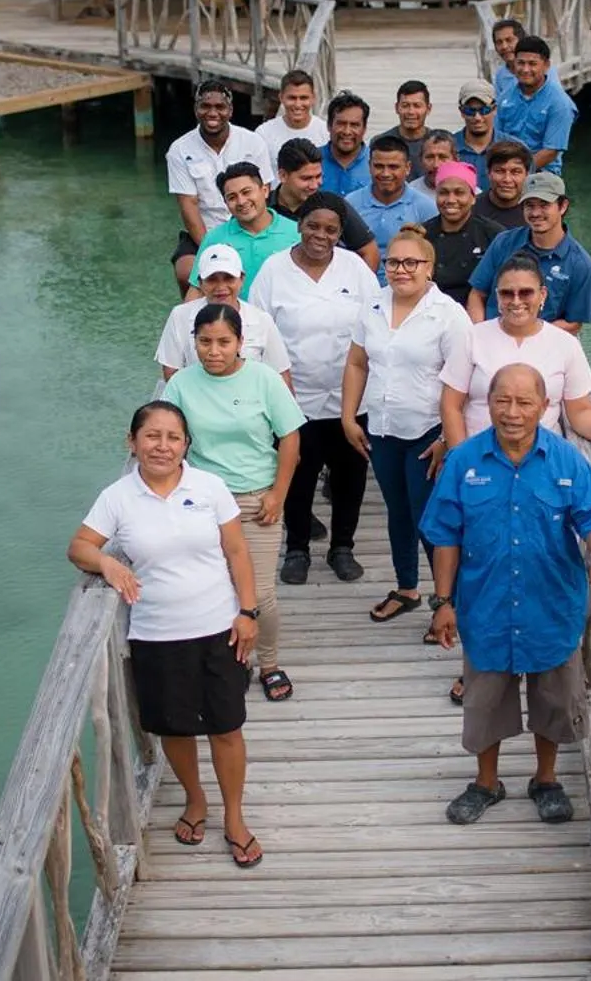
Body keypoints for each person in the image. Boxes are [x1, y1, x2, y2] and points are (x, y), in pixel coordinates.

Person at [423, 364, 591, 826]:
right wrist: (442, 603)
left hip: (551, 605)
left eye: (524, 403)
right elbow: (446, 536)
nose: (513, 412)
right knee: (484, 701)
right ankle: (485, 783)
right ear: (489, 403)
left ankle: (546, 778)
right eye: (503, 400)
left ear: (543, 407)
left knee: (554, 700)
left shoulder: (564, 461)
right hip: (486, 606)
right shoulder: (464, 462)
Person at [67, 401, 265, 867]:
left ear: (186, 444)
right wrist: (108, 561)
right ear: (132, 442)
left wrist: (248, 611)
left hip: (219, 628)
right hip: (157, 634)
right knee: (176, 728)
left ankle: (234, 816)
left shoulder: (210, 486)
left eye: (173, 437)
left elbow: (237, 551)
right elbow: (79, 546)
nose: (162, 446)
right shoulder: (117, 497)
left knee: (226, 727)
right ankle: (195, 800)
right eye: (151, 436)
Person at [162, 304, 304, 703]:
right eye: (204, 342)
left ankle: (270, 663)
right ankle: (234, 661)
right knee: (217, 588)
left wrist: (279, 493)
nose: (213, 351)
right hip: (202, 502)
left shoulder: (263, 380)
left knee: (258, 593)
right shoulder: (181, 385)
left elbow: (290, 437)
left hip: (255, 499)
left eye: (224, 342)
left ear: (241, 342)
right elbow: (166, 434)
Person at [340, 224, 471, 630]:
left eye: (410, 262)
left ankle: (448, 602)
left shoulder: (449, 315)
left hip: (428, 433)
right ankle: (407, 587)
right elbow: (358, 362)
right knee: (398, 512)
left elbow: (464, 381)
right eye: (393, 262)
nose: (399, 269)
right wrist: (348, 416)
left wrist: (450, 438)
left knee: (430, 518)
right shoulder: (374, 307)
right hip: (382, 429)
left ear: (429, 267)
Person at [246, 196, 378, 585]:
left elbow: (376, 322)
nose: (321, 236)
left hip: (351, 399)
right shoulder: (273, 271)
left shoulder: (355, 269)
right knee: (298, 476)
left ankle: (343, 547)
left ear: (340, 233)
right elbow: (258, 333)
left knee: (349, 476)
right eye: (313, 226)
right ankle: (297, 548)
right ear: (299, 224)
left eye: (331, 230)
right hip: (293, 396)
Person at [441, 253, 591, 460]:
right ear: (497, 296)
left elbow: (579, 411)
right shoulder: (472, 338)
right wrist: (462, 460)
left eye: (526, 293)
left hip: (542, 460)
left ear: (542, 295)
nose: (516, 301)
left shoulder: (565, 344)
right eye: (507, 293)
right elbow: (450, 405)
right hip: (480, 458)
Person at [166, 81, 275, 294]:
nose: (212, 113)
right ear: (196, 109)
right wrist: (211, 246)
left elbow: (264, 193)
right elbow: (189, 205)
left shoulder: (253, 142)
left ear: (230, 110)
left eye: (220, 107)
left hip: (248, 223)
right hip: (204, 230)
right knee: (185, 273)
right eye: (205, 106)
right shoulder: (179, 150)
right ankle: (195, 318)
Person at [466, 173, 591, 335]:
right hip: (492, 339)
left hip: (545, 346)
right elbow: (477, 294)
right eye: (529, 205)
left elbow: (574, 322)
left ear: (563, 206)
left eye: (544, 205)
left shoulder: (583, 265)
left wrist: (528, 336)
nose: (535, 213)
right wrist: (481, 334)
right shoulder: (503, 242)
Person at [154, 243, 292, 388]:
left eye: (228, 278)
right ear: (200, 282)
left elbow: (281, 376)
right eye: (212, 279)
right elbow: (171, 372)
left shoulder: (262, 320)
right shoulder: (179, 315)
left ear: (241, 279)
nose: (221, 287)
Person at [270, 138, 380, 270]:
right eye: (306, 178)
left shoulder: (333, 206)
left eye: (318, 176)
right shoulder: (262, 208)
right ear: (283, 175)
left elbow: (370, 252)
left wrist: (356, 288)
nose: (315, 185)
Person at [192, 163, 298, 299]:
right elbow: (197, 289)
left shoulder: (296, 233)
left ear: (265, 191)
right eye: (232, 197)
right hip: (231, 317)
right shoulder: (214, 238)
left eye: (246, 192)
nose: (241, 201)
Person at [345, 134, 438, 267]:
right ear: (369, 166)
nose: (385, 174)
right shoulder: (351, 203)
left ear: (408, 168)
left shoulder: (426, 207)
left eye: (393, 167)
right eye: (378, 166)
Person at [496, 35, 578, 175]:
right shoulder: (505, 97)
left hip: (543, 174)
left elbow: (551, 151)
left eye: (532, 64)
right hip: (505, 170)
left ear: (546, 66)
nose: (525, 69)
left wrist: (517, 173)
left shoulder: (560, 103)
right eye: (520, 63)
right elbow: (495, 138)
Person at [426, 163, 503, 307]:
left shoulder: (494, 235)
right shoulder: (422, 235)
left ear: (473, 198)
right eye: (443, 192)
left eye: (459, 192)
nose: (450, 200)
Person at [490, 18, 569, 107]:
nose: (504, 46)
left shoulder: (543, 69)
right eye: (499, 42)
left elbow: (556, 103)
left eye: (509, 40)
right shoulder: (500, 75)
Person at [255, 69, 329, 160]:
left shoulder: (326, 132)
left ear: (313, 98)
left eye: (303, 98)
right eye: (292, 98)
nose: (298, 105)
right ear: (281, 98)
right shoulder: (263, 133)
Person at [471, 139, 532, 231]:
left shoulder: (535, 213)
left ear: (527, 175)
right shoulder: (470, 209)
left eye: (515, 172)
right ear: (488, 173)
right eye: (499, 171)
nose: (507, 179)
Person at [321, 91, 371, 196]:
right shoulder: (310, 162)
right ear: (329, 126)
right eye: (341, 124)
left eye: (354, 125)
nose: (347, 131)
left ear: (364, 128)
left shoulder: (378, 164)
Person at [383, 80, 434, 178]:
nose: (411, 111)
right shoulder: (382, 141)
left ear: (428, 109)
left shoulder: (437, 144)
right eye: (405, 106)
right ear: (397, 108)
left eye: (417, 106)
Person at [454, 80, 500, 184]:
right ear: (461, 112)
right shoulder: (448, 149)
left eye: (484, 110)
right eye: (470, 111)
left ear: (495, 109)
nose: (477, 117)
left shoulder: (514, 148)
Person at [407, 130, 461, 202]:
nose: (436, 165)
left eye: (442, 157)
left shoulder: (470, 192)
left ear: (456, 159)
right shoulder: (409, 194)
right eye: (430, 157)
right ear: (420, 160)